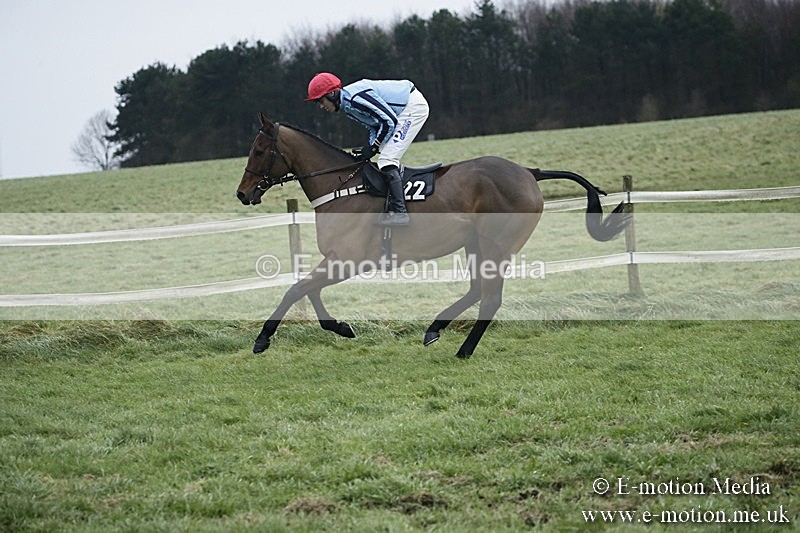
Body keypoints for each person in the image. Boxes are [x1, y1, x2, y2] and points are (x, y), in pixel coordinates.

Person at [306, 72, 430, 226]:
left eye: (320, 100)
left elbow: (389, 120)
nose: (321, 106)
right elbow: (374, 126)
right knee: (384, 154)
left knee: (387, 159)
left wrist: (374, 147)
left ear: (332, 94)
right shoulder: (347, 105)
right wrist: (371, 148)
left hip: (412, 107)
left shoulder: (355, 99)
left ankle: (401, 213)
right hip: (399, 112)